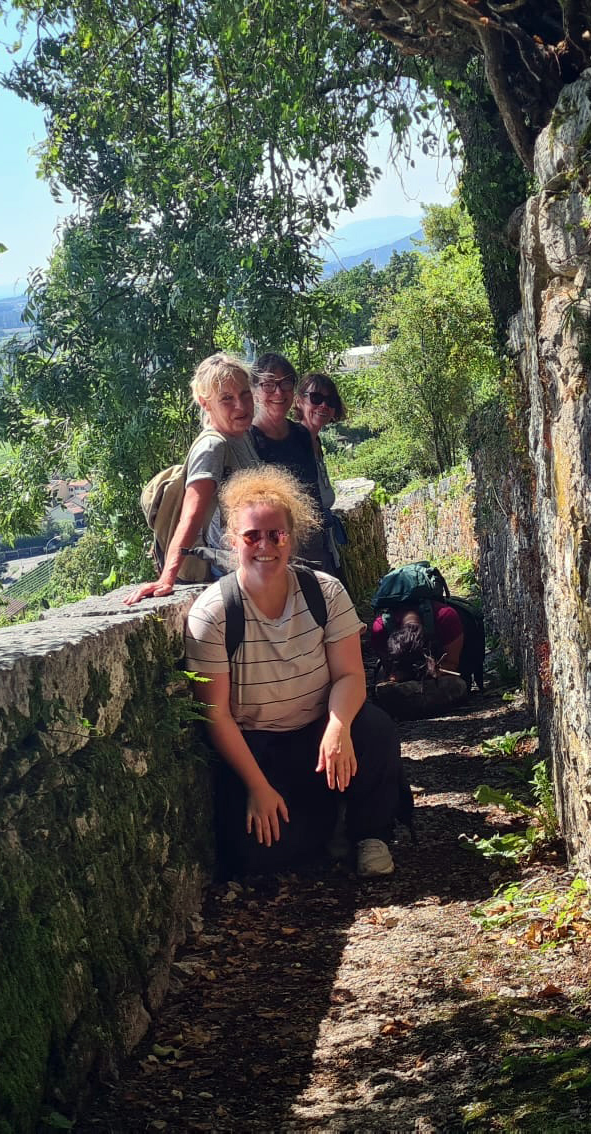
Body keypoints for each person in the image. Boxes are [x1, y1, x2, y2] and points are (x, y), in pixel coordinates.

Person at [184, 467, 404, 878]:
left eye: (277, 535)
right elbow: (216, 714)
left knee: (373, 728)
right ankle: (331, 822)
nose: (265, 545)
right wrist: (256, 786)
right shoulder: (213, 614)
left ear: (292, 538)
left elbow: (350, 677)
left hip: (320, 733)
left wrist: (338, 728)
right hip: (259, 747)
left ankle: (371, 832)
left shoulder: (325, 593)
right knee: (257, 857)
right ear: (233, 542)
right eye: (252, 536)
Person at [125, 353, 259, 605]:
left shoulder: (242, 436)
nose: (240, 406)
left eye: (244, 395)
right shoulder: (212, 446)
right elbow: (190, 516)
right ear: (204, 402)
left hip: (252, 562)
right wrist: (168, 578)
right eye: (227, 399)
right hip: (227, 573)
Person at [248, 353, 339, 575]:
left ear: (293, 390)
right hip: (272, 555)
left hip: (313, 549)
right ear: (255, 391)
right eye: (269, 385)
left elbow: (314, 497)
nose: (279, 392)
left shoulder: (302, 435)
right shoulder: (248, 440)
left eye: (286, 383)